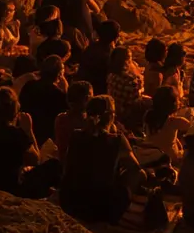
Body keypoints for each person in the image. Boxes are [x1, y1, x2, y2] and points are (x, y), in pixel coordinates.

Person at [0, 86, 60, 198]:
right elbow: (35, 159)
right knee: (54, 166)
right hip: (6, 188)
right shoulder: (15, 134)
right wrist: (28, 131)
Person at [59, 95, 142, 224]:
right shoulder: (117, 140)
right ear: (111, 116)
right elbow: (135, 167)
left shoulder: (76, 135)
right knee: (139, 174)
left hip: (70, 203)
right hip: (101, 209)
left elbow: (67, 168)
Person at [19, 54, 70, 145]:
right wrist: (66, 91)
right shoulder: (58, 95)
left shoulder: (29, 86)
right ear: (60, 74)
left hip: (26, 131)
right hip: (48, 137)